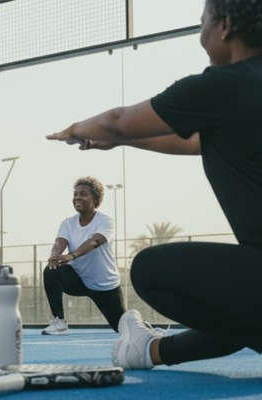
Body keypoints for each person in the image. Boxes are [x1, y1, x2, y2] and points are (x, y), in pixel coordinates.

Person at [46, 0, 262, 369]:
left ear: (224, 25)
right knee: (232, 302)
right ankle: (151, 351)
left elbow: (118, 120)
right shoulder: (244, 96)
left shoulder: (222, 85)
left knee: (150, 270)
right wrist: (123, 141)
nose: (201, 33)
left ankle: (149, 350)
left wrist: (76, 129)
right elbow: (196, 141)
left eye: (202, 23)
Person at [42, 176, 125, 335]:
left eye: (83, 194)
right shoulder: (68, 222)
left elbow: (95, 241)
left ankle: (146, 329)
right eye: (75, 194)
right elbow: (60, 242)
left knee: (122, 327)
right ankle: (59, 321)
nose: (77, 197)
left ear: (95, 199)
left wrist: (72, 256)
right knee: (52, 270)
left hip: (104, 285)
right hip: (79, 280)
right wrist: (54, 256)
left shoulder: (106, 221)